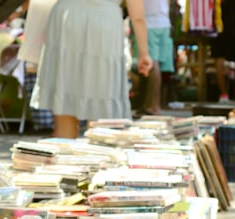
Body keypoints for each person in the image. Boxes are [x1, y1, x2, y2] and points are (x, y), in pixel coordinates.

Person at [29, 0, 153, 139]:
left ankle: (66, 148)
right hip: (103, 22)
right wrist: (143, 53)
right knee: (102, 107)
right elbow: (137, 17)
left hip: (67, 18)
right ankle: (98, 149)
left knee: (66, 101)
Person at [130, 0, 175, 116]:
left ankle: (154, 106)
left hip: (149, 23)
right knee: (156, 65)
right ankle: (149, 104)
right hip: (164, 22)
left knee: (152, 64)